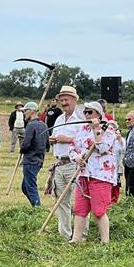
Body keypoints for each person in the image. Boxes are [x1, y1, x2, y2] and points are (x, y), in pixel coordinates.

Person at [69, 102, 118, 243]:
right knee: (79, 208)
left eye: (90, 112)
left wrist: (96, 129)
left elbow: (103, 148)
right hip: (84, 173)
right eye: (85, 112)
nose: (86, 115)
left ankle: (105, 241)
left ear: (98, 113)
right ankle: (76, 239)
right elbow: (72, 148)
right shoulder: (82, 129)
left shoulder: (108, 129)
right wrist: (77, 158)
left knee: (99, 210)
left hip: (101, 175)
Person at [48, 85, 85, 240]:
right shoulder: (59, 119)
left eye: (66, 99)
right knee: (61, 200)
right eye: (61, 99)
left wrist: (68, 139)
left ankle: (81, 235)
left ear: (74, 100)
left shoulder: (81, 119)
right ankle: (65, 234)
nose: (63, 102)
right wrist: (52, 140)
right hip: (60, 164)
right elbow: (56, 137)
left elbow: (86, 141)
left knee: (80, 201)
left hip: (74, 164)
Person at [19, 102, 48, 206]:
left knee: (30, 187)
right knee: (24, 187)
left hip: (30, 160)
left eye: (25, 111)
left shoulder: (30, 125)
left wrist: (22, 149)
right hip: (39, 160)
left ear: (31, 111)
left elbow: (26, 144)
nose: (24, 113)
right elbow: (47, 145)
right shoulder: (44, 125)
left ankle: (37, 209)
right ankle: (34, 205)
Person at [107, 120, 124, 204]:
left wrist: (119, 139)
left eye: (113, 127)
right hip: (106, 167)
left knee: (116, 184)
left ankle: (114, 202)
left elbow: (123, 148)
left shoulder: (119, 139)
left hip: (116, 167)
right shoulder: (105, 138)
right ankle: (107, 202)